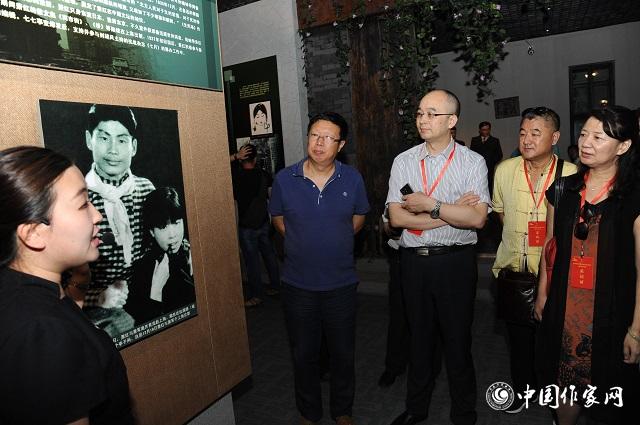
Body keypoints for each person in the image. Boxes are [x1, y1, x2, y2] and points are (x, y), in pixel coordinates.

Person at [0, 146, 134, 424]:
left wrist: (80, 281)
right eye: (83, 204)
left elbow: (65, 316)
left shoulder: (18, 289)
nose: (97, 215)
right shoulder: (42, 332)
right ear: (34, 234)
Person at [387, 89, 490, 425]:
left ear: (452, 121)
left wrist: (430, 205)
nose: (423, 119)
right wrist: (450, 211)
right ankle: (416, 408)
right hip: (413, 263)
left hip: (454, 262)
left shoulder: (472, 162)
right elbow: (397, 218)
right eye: (420, 113)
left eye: (432, 114)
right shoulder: (403, 161)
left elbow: (477, 219)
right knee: (419, 338)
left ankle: (464, 411)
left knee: (457, 340)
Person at [534, 105, 640, 424]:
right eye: (583, 134)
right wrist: (542, 294)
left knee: (611, 395)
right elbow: (550, 247)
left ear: (623, 146)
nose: (586, 143)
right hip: (565, 308)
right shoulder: (563, 189)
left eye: (598, 137)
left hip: (611, 313)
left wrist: (636, 330)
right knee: (563, 380)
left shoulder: (633, 197)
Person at [269, 112, 369, 425]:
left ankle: (342, 410)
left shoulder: (352, 179)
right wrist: (303, 239)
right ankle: (309, 412)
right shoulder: (285, 179)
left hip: (341, 284)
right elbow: (278, 220)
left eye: (328, 137)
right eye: (314, 135)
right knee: (303, 355)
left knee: (343, 354)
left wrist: (335, 238)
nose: (319, 143)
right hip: (298, 285)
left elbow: (358, 218)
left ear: (341, 144)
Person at [492, 107, 577, 414]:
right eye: (523, 133)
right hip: (515, 275)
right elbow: (501, 212)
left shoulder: (571, 174)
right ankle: (522, 392)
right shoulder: (504, 169)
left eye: (535, 133)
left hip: (555, 277)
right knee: (518, 343)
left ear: (554, 137)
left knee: (554, 343)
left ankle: (554, 399)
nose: (526, 140)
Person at [82, 104, 155, 336]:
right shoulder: (78, 196)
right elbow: (58, 280)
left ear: (134, 147)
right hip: (96, 309)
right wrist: (97, 297)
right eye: (104, 138)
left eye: (122, 140)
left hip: (143, 297)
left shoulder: (145, 189)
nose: (113, 150)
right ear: (89, 140)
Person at [126, 187, 195, 325]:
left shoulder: (193, 252)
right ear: (152, 231)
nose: (172, 235)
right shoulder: (141, 270)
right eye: (163, 227)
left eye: (176, 223)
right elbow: (143, 327)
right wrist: (156, 290)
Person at [232, 144, 281, 307]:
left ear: (241, 160)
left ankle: (256, 296)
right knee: (270, 256)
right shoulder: (264, 175)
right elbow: (272, 198)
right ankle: (276, 286)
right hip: (263, 223)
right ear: (255, 159)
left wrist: (235, 156)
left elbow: (216, 167)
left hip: (246, 225)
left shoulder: (236, 176)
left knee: (251, 262)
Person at [470, 121, 502, 196]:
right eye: (484, 130)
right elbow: (471, 154)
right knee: (477, 186)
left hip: (489, 168)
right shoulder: (475, 140)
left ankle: (489, 202)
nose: (486, 132)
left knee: (489, 186)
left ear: (490, 130)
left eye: (487, 130)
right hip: (477, 168)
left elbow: (499, 155)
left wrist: (491, 162)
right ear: (480, 130)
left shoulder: (495, 141)